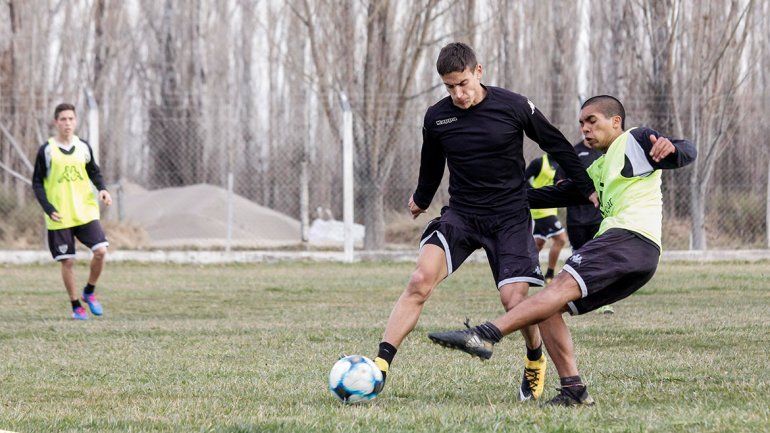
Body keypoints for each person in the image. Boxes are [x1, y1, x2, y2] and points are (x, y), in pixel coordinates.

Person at [427, 95, 696, 406]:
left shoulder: (633, 140)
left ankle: (485, 334)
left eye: (592, 121)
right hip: (640, 259)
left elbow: (686, 150)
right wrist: (496, 196)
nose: (584, 129)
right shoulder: (598, 168)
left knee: (555, 290)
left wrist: (675, 148)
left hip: (628, 239)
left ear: (616, 122)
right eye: (581, 123)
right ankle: (574, 391)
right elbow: (555, 194)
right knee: (549, 308)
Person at [372, 42, 596, 402]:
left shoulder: (514, 106)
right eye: (449, 87)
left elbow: (555, 144)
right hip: (462, 215)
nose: (458, 94)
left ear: (479, 72)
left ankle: (534, 358)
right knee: (419, 280)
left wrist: (585, 188)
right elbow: (431, 166)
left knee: (514, 302)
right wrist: (422, 199)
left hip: (508, 216)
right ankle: (379, 366)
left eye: (463, 83)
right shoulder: (436, 117)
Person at [32, 103, 112, 320]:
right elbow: (37, 183)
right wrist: (48, 208)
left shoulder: (83, 146)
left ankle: (89, 291)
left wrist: (103, 189)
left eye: (71, 119)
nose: (67, 123)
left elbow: (94, 171)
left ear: (75, 121)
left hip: (85, 212)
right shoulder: (47, 150)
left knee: (101, 251)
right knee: (68, 261)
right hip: (60, 215)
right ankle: (76, 305)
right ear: (56, 122)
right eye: (63, 119)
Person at [525, 154, 568, 283]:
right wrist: (537, 195)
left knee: (537, 244)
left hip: (551, 208)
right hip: (541, 210)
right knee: (561, 239)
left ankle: (527, 271)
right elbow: (523, 178)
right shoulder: (538, 163)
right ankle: (549, 275)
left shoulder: (561, 163)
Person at [561, 138, 603, 251]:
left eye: (593, 121)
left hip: (599, 218)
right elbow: (559, 181)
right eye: (583, 123)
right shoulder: (573, 152)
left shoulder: (605, 152)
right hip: (576, 219)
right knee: (578, 258)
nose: (588, 128)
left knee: (598, 257)